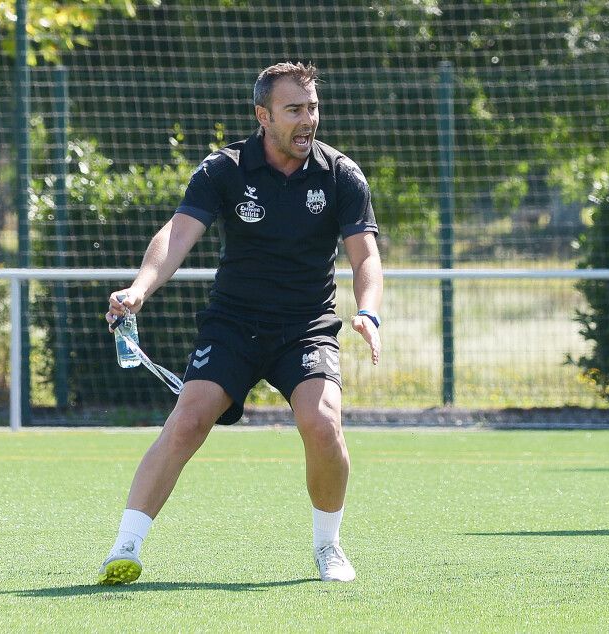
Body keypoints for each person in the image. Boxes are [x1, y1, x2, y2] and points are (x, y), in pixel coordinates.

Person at [99, 62, 382, 584]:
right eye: (294, 110)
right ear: (263, 115)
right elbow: (176, 235)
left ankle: (329, 548)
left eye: (312, 108)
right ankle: (125, 547)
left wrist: (367, 311)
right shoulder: (223, 169)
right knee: (188, 420)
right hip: (233, 323)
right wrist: (139, 290)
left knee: (322, 424)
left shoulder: (340, 173)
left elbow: (365, 256)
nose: (308, 120)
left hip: (307, 327)